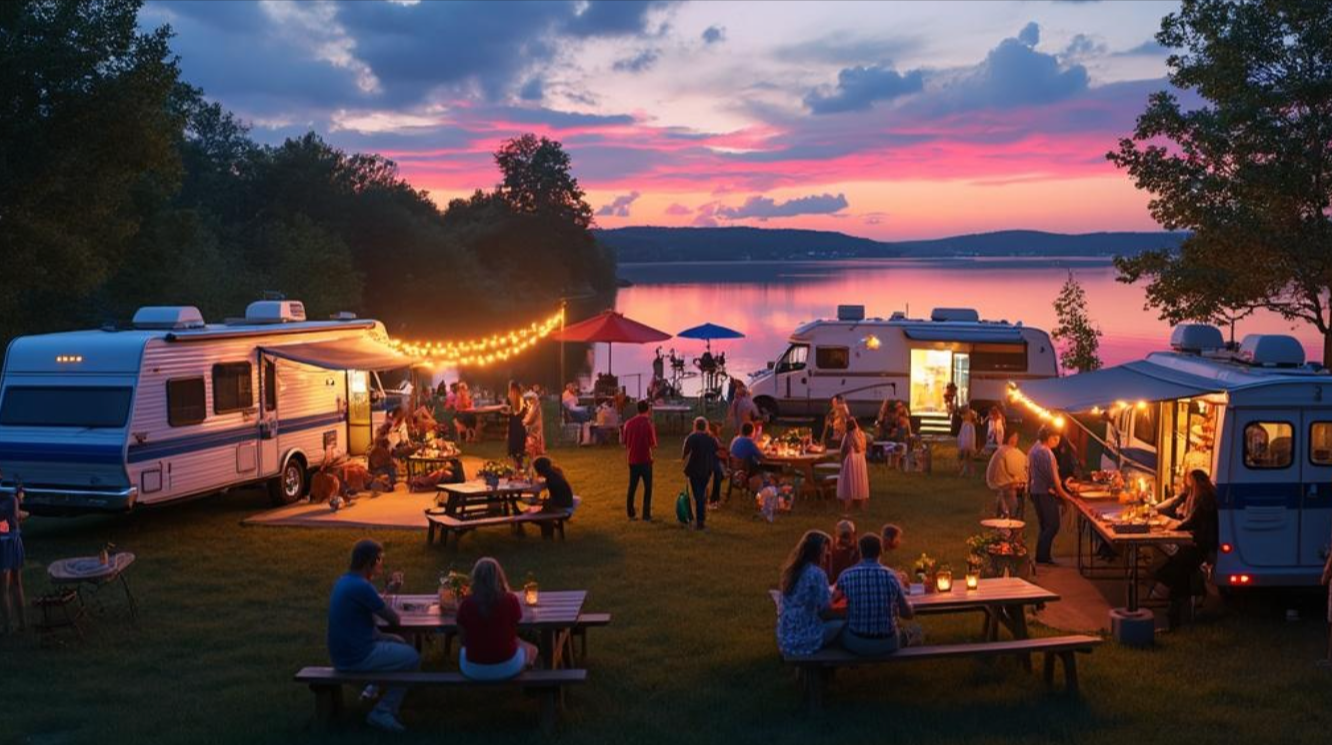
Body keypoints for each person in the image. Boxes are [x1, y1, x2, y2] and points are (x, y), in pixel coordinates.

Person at [327, 539, 419, 733]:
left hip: (342, 653)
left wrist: (387, 593)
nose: (381, 564)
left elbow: (372, 606)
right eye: (380, 560)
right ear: (371, 562)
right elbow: (394, 620)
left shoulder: (345, 581)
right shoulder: (362, 586)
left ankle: (373, 687)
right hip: (356, 656)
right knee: (412, 657)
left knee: (400, 642)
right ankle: (383, 711)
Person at [1153, 469, 1219, 628]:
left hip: (1201, 545)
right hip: (1198, 542)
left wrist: (1174, 529)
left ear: (1195, 481)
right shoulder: (1203, 496)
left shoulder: (1204, 499)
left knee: (1176, 566)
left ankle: (1167, 597)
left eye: (1189, 482)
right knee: (1180, 569)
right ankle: (1177, 608)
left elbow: (1193, 522)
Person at [457, 558, 538, 681]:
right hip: (507, 667)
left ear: (475, 578)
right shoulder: (510, 600)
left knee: (463, 651)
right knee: (532, 649)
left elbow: (463, 640)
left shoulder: (466, 604)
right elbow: (513, 631)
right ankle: (532, 683)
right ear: (499, 577)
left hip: (473, 669)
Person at [835, 533, 914, 656]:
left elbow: (833, 605)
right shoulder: (892, 576)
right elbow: (906, 614)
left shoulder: (846, 576)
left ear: (860, 552)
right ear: (881, 551)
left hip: (856, 643)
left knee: (836, 630)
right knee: (903, 629)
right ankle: (909, 635)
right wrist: (911, 605)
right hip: (888, 643)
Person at [776, 530, 843, 656]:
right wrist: (836, 601)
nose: (827, 555)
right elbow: (824, 611)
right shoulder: (817, 573)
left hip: (786, 636)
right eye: (825, 551)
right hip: (805, 637)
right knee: (841, 624)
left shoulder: (791, 572)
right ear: (818, 552)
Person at [1028, 427, 1075, 565]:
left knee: (1045, 526)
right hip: (1045, 493)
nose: (1058, 441)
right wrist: (1066, 497)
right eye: (1055, 438)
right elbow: (1053, 480)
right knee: (1053, 525)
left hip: (1035, 491)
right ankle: (1042, 557)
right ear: (1048, 437)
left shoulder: (1034, 449)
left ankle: (1042, 556)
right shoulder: (1046, 453)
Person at [622, 400, 657, 521]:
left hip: (632, 459)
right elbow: (653, 444)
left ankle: (630, 513)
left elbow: (625, 442)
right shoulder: (648, 424)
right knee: (648, 487)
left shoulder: (628, 423)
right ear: (648, 410)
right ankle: (646, 514)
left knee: (632, 486)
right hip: (645, 459)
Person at [682, 417, 717, 531]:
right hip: (706, 469)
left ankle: (700, 521)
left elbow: (685, 453)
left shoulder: (692, 437)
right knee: (701, 493)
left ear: (695, 426)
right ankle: (700, 519)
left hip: (694, 469)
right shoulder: (711, 439)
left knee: (698, 496)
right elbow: (715, 451)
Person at [1, 482, 27, 634]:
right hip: (9, 540)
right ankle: (13, 625)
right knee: (12, 584)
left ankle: (10, 627)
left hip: (9, 541)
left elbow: (14, 517)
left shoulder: (10, 497)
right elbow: (15, 516)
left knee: (7, 586)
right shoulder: (11, 498)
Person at [985, 430, 1028, 518]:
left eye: (1016, 438)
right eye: (1014, 437)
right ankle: (1009, 522)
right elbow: (1015, 470)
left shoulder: (1002, 450)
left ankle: (1002, 517)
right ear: (1010, 438)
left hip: (998, 483)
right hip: (1005, 484)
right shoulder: (1008, 451)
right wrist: (1024, 479)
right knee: (1012, 505)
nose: (1016, 440)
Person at [837, 418, 870, 512]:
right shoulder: (862, 434)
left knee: (849, 482)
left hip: (851, 460)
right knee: (860, 482)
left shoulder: (848, 435)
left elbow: (842, 449)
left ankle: (847, 506)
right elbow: (864, 448)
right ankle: (862, 505)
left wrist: (842, 462)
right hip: (861, 460)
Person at [506, 381, 527, 470]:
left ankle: (517, 464)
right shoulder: (522, 397)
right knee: (519, 444)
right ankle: (519, 463)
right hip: (520, 423)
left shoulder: (511, 397)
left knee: (514, 443)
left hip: (514, 423)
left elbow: (510, 410)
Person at [707, 421, 728, 509]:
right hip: (713, 462)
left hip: (714, 461)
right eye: (719, 428)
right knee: (718, 473)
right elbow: (717, 452)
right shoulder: (712, 438)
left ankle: (714, 499)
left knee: (719, 473)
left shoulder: (715, 438)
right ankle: (714, 499)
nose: (720, 430)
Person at [522, 389, 545, 461]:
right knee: (532, 449)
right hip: (533, 429)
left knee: (534, 447)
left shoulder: (535, 406)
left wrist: (523, 422)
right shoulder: (532, 406)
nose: (528, 401)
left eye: (529, 399)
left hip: (535, 430)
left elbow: (530, 418)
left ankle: (535, 461)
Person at [957, 406, 978, 476]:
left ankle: (970, 471)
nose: (964, 416)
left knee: (969, 457)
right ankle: (965, 470)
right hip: (964, 443)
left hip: (968, 443)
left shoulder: (970, 426)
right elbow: (962, 434)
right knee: (963, 457)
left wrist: (969, 445)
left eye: (966, 415)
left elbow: (970, 436)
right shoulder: (965, 424)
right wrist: (960, 440)